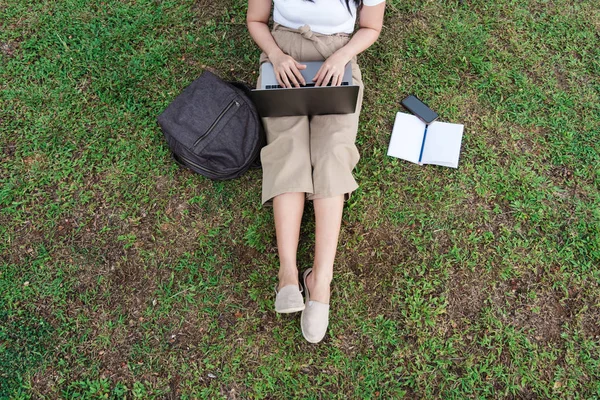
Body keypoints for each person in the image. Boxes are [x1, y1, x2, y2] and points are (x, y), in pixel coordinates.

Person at [246, 0, 385, 343]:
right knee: (287, 151)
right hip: (283, 55)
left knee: (333, 154)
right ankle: (288, 274)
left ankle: (320, 280)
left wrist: (342, 57)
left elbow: (371, 26)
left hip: (337, 55)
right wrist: (276, 56)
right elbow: (256, 19)